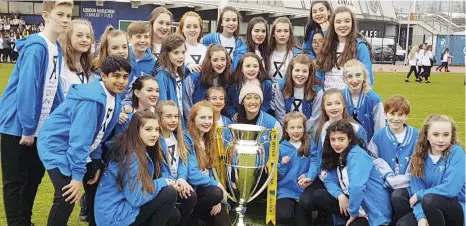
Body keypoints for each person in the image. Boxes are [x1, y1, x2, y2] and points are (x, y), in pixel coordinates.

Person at [0, 1, 72, 225]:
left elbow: (55, 89)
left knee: (33, 180)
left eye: (68, 15)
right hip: (17, 127)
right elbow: (27, 90)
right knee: (15, 182)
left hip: (40, 129)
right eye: (59, 14)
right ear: (45, 16)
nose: (65, 19)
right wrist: (28, 128)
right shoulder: (36, 47)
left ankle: (25, 220)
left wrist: (60, 122)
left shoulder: (56, 48)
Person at [37, 56, 131, 225]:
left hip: (77, 147)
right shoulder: (92, 100)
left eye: (125, 77)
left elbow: (99, 133)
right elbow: (80, 139)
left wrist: (95, 160)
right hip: (57, 146)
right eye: (116, 76)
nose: (121, 81)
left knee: (96, 186)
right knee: (67, 195)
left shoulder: (115, 98)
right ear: (103, 76)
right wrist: (77, 176)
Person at [95, 110, 179, 226]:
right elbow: (136, 199)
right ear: (136, 130)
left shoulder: (139, 148)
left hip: (121, 207)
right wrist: (163, 182)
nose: (154, 134)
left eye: (156, 129)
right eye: (148, 129)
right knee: (169, 193)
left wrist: (166, 180)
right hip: (114, 216)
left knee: (174, 214)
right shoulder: (131, 156)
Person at [313, 119, 392, 226]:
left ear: (349, 139)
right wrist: (340, 196)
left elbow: (356, 186)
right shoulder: (336, 153)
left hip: (373, 210)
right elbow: (329, 180)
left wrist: (354, 212)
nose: (336, 144)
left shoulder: (357, 155)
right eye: (333, 139)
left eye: (341, 139)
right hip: (355, 204)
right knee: (319, 196)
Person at [396, 115, 465, 226]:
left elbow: (451, 189)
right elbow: (416, 189)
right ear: (427, 135)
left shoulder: (456, 153)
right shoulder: (419, 156)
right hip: (428, 207)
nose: (441, 140)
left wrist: (420, 195)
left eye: (446, 135)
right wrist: (421, 217)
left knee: (430, 199)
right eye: (435, 134)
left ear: (452, 136)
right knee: (403, 224)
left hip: (456, 208)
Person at [367, 94, 419, 224]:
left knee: (397, 196)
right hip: (386, 181)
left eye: (400, 114)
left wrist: (404, 178)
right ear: (385, 114)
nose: (396, 119)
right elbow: (372, 159)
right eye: (392, 114)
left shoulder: (416, 136)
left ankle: (404, 222)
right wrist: (388, 175)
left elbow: (420, 161)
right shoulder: (378, 136)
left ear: (406, 116)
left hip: (409, 183)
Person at [186, 101, 231, 226]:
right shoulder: (186, 139)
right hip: (193, 191)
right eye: (202, 117)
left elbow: (209, 171)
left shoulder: (209, 139)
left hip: (208, 191)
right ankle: (190, 217)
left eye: (210, 117)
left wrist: (216, 200)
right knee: (217, 193)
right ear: (193, 120)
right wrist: (216, 185)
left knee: (223, 222)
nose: (207, 121)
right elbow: (192, 175)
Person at [155, 100, 196, 226]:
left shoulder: (178, 138)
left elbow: (183, 161)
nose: (173, 120)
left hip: (177, 181)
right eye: (168, 116)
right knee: (173, 215)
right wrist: (172, 182)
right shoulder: (156, 140)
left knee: (191, 196)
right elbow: (159, 169)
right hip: (164, 184)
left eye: (176, 116)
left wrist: (181, 178)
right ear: (159, 118)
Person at [276, 112, 320, 226]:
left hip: (303, 192)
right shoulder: (281, 147)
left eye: (299, 127)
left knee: (304, 223)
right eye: (292, 127)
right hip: (285, 191)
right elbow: (278, 176)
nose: (296, 131)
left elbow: (314, 164)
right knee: (283, 216)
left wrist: (307, 175)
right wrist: (282, 165)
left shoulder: (309, 145)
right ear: (286, 129)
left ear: (304, 128)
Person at [316, 6, 373, 90]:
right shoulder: (326, 46)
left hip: (350, 99)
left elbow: (367, 78)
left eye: (347, 21)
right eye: (338, 22)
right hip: (328, 99)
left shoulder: (360, 47)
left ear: (352, 23)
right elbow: (318, 76)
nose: (343, 25)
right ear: (333, 24)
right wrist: (321, 94)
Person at [274, 54, 323, 131]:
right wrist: (290, 130)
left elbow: (315, 117)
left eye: (304, 71)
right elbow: (280, 114)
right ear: (291, 71)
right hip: (286, 130)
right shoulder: (281, 86)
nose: (300, 74)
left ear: (309, 73)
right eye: (297, 70)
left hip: (308, 131)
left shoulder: (317, 91)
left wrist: (301, 131)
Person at [341, 59, 385, 141]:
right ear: (345, 79)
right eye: (350, 76)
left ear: (364, 76)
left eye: (358, 75)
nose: (354, 80)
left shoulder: (374, 99)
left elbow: (380, 128)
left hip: (368, 147)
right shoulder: (340, 97)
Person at [183, 44, 231, 116]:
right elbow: (186, 105)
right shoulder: (194, 78)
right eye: (215, 60)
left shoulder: (226, 78)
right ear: (209, 60)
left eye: (223, 59)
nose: (220, 63)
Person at [226, 53, 273, 120]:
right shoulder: (234, 85)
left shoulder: (266, 85)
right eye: (248, 66)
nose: (251, 69)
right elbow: (228, 104)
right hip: (239, 120)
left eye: (255, 66)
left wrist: (257, 116)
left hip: (258, 120)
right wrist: (232, 113)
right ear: (241, 68)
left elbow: (266, 104)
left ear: (259, 68)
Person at [153, 34, 187, 124]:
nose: (181, 56)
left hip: (180, 121)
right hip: (169, 122)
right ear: (166, 54)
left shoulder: (180, 72)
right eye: (176, 53)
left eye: (183, 52)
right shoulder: (162, 75)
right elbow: (162, 105)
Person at [124, 21, 156, 107]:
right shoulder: (123, 57)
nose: (143, 40)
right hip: (119, 106)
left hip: (141, 109)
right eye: (138, 36)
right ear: (130, 38)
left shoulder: (154, 64)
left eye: (146, 37)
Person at [60, 19, 94, 97]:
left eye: (88, 37)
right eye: (79, 35)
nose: (85, 40)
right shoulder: (61, 65)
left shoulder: (86, 66)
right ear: (69, 38)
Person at [267, 17, 304, 83]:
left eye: (286, 31)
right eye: (279, 31)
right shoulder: (266, 53)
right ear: (273, 34)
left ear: (290, 34)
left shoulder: (298, 54)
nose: (282, 34)